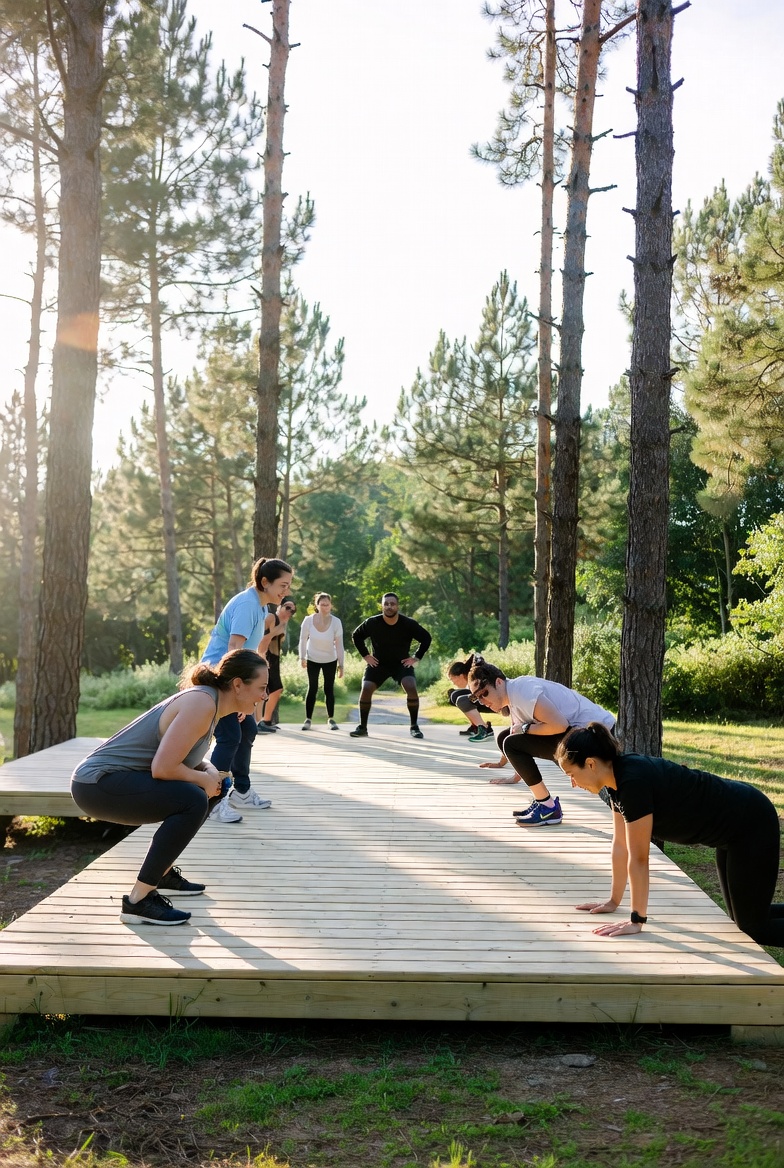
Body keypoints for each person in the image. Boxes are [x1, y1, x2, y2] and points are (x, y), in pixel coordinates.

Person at [70, 650, 269, 926]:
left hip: (112, 780)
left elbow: (182, 756)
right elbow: (163, 768)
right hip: (96, 783)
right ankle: (138, 901)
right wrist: (203, 779)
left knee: (218, 785)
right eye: (261, 687)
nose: (265, 696)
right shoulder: (202, 703)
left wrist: (209, 772)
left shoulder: (209, 703)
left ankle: (161, 873)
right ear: (238, 685)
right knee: (193, 799)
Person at [555, 722, 784, 945]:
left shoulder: (633, 782)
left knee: (755, 929)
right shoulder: (617, 782)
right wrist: (613, 901)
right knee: (743, 919)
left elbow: (639, 859)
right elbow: (620, 845)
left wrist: (637, 919)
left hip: (751, 822)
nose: (573, 783)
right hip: (732, 832)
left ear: (591, 764)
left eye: (571, 774)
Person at [467, 657, 615, 826]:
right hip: (577, 733)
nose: (483, 701)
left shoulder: (523, 692)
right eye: (477, 698)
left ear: (499, 682)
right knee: (506, 737)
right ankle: (544, 802)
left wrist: (525, 729)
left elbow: (559, 725)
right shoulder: (513, 696)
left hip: (597, 736)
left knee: (511, 742)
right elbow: (517, 736)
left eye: (484, 693)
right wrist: (513, 774)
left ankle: (547, 807)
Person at [202, 556, 293, 823]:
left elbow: (252, 652)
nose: (286, 591)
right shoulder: (247, 605)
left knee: (247, 730)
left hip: (234, 681)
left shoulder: (260, 608)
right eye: (283, 585)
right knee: (230, 736)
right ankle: (213, 800)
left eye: (288, 586)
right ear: (265, 582)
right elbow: (233, 650)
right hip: (220, 680)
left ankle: (241, 791)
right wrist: (238, 696)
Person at [350, 593, 432, 740]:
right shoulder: (372, 623)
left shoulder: (408, 624)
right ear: (382, 606)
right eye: (386, 604)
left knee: (410, 685)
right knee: (366, 688)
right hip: (378, 663)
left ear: (397, 606)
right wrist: (366, 655)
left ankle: (414, 727)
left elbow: (426, 638)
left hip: (401, 664)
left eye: (392, 604)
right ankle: (362, 727)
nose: (389, 606)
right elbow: (356, 636)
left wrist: (416, 657)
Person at [298, 592, 344, 730]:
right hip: (312, 658)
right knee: (312, 687)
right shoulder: (308, 620)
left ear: (331, 605)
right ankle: (308, 720)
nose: (325, 607)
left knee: (328, 688)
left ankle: (331, 719)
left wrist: (341, 665)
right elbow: (302, 639)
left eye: (327, 605)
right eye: (322, 604)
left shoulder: (336, 622)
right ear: (316, 605)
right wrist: (302, 657)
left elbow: (339, 645)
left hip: (330, 659)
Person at [257, 597, 297, 733]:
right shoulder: (271, 617)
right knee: (265, 689)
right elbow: (262, 639)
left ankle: (266, 721)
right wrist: (262, 658)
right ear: (280, 606)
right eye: (287, 607)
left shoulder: (283, 623)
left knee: (276, 689)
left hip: (274, 658)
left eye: (293, 611)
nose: (289, 612)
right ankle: (259, 721)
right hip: (265, 656)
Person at [446, 655, 493, 742]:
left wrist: (469, 700)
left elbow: (484, 692)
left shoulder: (475, 676)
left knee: (462, 700)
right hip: (484, 699)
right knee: (453, 694)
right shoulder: (470, 680)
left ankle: (485, 729)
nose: (453, 682)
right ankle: (475, 727)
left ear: (460, 676)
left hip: (495, 700)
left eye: (452, 679)